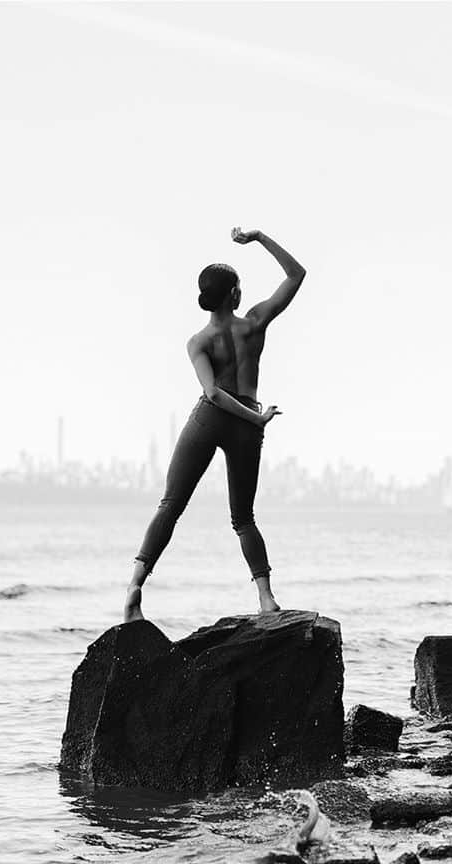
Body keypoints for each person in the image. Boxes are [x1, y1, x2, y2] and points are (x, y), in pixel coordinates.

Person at [124, 227, 306, 622]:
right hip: (246, 424)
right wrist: (259, 238)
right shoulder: (255, 322)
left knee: (171, 505)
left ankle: (135, 586)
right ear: (235, 294)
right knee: (243, 518)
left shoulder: (198, 341)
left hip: (209, 421)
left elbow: (211, 395)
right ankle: (266, 598)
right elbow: (296, 275)